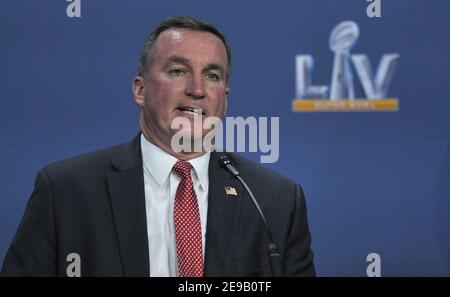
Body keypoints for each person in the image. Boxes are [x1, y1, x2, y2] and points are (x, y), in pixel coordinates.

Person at [1, 16, 315, 277]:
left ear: (225, 98)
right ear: (140, 89)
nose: (197, 90)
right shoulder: (66, 191)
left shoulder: (275, 200)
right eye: (178, 71)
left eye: (213, 76)